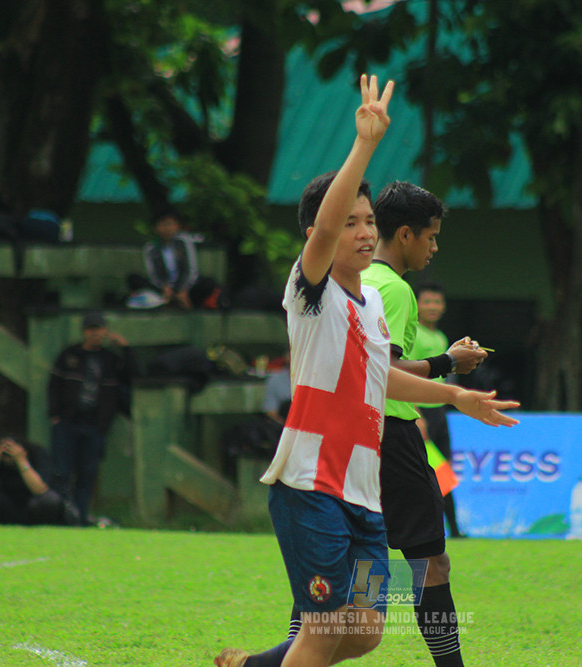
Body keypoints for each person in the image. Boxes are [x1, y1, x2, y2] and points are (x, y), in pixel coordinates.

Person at [215, 74, 518, 667]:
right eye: (351, 222)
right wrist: (365, 145)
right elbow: (325, 228)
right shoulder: (311, 292)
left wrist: (454, 394)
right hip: (311, 486)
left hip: (363, 493)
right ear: (319, 235)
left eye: (368, 223)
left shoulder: (373, 303)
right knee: (325, 629)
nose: (362, 231)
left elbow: (380, 377)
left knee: (365, 631)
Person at [361, 182, 487, 667]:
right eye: (431, 237)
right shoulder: (393, 288)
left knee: (343, 561)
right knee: (430, 562)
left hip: (354, 435)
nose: (434, 248)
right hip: (390, 434)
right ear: (407, 234)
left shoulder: (359, 280)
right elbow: (383, 373)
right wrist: (448, 364)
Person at [47, 312, 135, 526]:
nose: (95, 334)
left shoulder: (111, 360)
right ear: (84, 331)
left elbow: (134, 375)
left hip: (95, 425)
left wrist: (126, 348)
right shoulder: (69, 355)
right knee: (62, 473)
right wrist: (54, 415)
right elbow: (53, 386)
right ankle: (61, 517)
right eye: (91, 329)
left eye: (98, 329)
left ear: (105, 331)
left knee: (87, 475)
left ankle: (80, 518)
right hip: (67, 422)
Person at [410, 281, 463, 538]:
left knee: (444, 472)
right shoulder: (414, 334)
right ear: (417, 305)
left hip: (439, 412)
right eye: (427, 301)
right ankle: (426, 531)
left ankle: (453, 529)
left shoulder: (441, 337)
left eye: (437, 302)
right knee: (424, 476)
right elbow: (405, 377)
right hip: (420, 413)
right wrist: (417, 415)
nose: (432, 307)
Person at [129, 208, 224, 310]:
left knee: (208, 283)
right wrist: (164, 287)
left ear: (177, 226)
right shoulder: (151, 248)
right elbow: (153, 273)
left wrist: (182, 289)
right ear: (156, 228)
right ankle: (167, 300)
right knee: (134, 279)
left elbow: (190, 269)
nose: (167, 228)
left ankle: (184, 301)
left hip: (185, 287)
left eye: (170, 224)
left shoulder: (184, 243)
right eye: (163, 225)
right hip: (164, 289)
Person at [0, 436, 79, 526]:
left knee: (50, 500)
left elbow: (40, 489)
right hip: (8, 505)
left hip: (32, 506)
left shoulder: (38, 456)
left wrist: (21, 460)